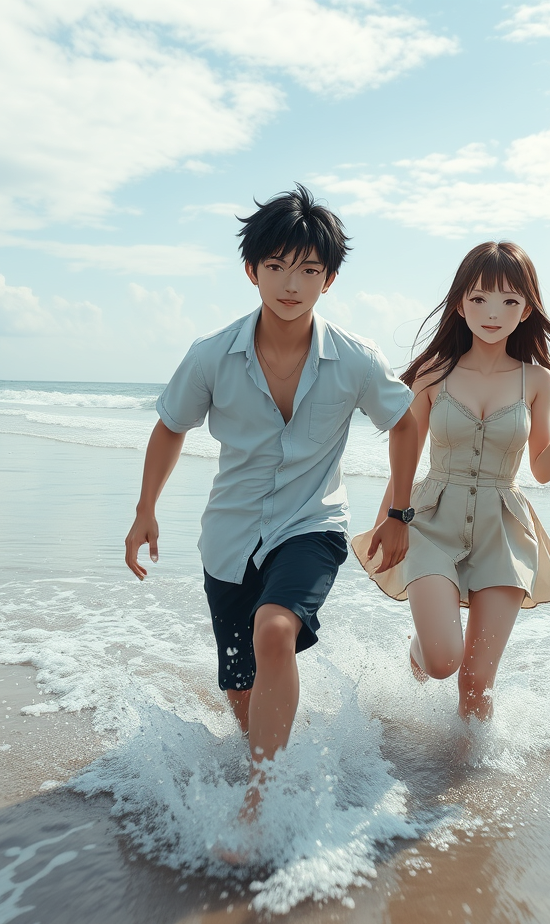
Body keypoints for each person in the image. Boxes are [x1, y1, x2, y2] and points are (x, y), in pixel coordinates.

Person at [124, 184, 418, 831]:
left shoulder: (355, 358)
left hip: (313, 524)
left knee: (276, 630)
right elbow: (171, 427)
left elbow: (404, 421)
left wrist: (399, 512)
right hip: (229, 536)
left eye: (309, 270)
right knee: (239, 686)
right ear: (252, 270)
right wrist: (146, 509)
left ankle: (262, 797)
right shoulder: (212, 354)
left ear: (329, 279)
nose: (292, 283)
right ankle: (266, 742)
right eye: (278, 266)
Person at [352, 241, 550, 724]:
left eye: (510, 301)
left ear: (527, 310)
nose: (493, 312)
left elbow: (542, 470)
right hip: (430, 523)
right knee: (444, 662)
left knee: (476, 682)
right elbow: (406, 455)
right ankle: (421, 648)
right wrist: (390, 520)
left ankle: (469, 787)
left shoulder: (538, 380)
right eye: (480, 298)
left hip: (503, 532)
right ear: (460, 303)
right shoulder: (431, 375)